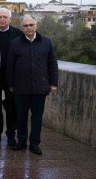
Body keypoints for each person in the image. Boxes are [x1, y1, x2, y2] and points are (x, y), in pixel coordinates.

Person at [7, 15, 58, 155]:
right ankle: (22, 141)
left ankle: (35, 143)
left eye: (31, 25)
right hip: (21, 87)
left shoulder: (46, 42)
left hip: (40, 87)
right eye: (25, 26)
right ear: (21, 28)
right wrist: (10, 84)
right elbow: (10, 66)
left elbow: (52, 64)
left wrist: (53, 83)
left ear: (36, 26)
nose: (29, 28)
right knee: (21, 116)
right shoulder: (15, 43)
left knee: (37, 117)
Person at [0, 8, 22, 146]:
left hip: (11, 76)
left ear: (10, 19)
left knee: (11, 106)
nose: (2, 19)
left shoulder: (17, 34)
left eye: (5, 17)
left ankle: (11, 134)